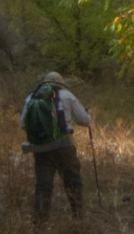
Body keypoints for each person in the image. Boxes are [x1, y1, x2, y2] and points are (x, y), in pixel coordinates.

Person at [21, 71, 91, 223]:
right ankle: (78, 218)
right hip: (63, 147)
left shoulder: (31, 98)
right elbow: (84, 120)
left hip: (40, 149)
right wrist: (87, 114)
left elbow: (23, 124)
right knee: (73, 182)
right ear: (60, 83)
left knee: (43, 186)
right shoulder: (67, 96)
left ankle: (40, 225)